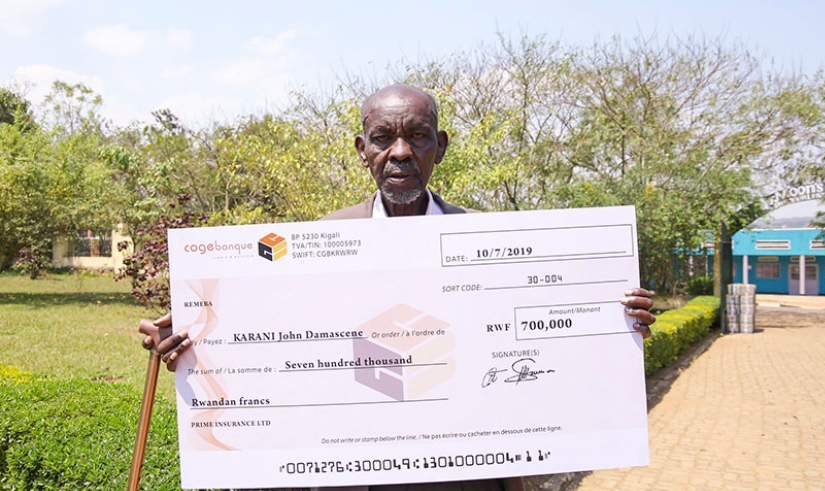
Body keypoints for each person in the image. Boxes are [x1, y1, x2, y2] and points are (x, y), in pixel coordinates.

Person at [140, 84, 656, 491]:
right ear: (363, 150)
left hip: (471, 477)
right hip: (353, 478)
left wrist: (614, 321)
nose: (401, 152)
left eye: (419, 136)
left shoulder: (492, 241)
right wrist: (192, 335)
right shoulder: (315, 240)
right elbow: (266, 340)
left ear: (441, 146)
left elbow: (549, 338)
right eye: (384, 138)